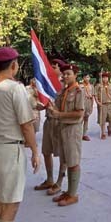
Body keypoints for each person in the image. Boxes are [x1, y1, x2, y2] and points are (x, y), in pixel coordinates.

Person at [0, 47, 40, 222]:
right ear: (14, 65)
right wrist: (35, 151)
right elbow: (26, 125)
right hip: (10, 149)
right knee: (11, 204)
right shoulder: (15, 88)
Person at [48, 64, 84, 207]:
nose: (65, 76)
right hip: (62, 128)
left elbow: (79, 113)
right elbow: (57, 107)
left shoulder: (78, 92)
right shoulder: (63, 91)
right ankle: (68, 192)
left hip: (72, 130)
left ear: (75, 75)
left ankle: (73, 195)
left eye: (69, 73)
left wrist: (59, 115)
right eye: (64, 74)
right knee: (66, 160)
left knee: (73, 162)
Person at [35, 59, 67, 195]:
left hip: (60, 122)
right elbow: (45, 103)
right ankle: (49, 179)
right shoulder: (47, 84)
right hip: (49, 121)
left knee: (62, 154)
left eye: (54, 67)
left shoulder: (65, 85)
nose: (51, 69)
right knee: (46, 151)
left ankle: (59, 182)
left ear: (60, 69)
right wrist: (38, 106)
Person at [95, 72, 111, 139]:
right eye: (103, 77)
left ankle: (109, 127)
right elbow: (95, 95)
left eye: (106, 77)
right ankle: (103, 133)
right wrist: (98, 102)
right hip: (102, 104)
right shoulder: (98, 86)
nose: (105, 79)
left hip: (110, 104)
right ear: (101, 78)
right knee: (102, 119)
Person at [80, 74, 94, 141]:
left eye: (88, 77)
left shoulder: (91, 86)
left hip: (88, 103)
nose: (87, 78)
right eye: (85, 77)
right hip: (82, 103)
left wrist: (92, 105)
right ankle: (78, 133)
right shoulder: (80, 86)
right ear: (83, 78)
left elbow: (92, 96)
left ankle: (84, 134)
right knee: (80, 119)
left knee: (86, 118)